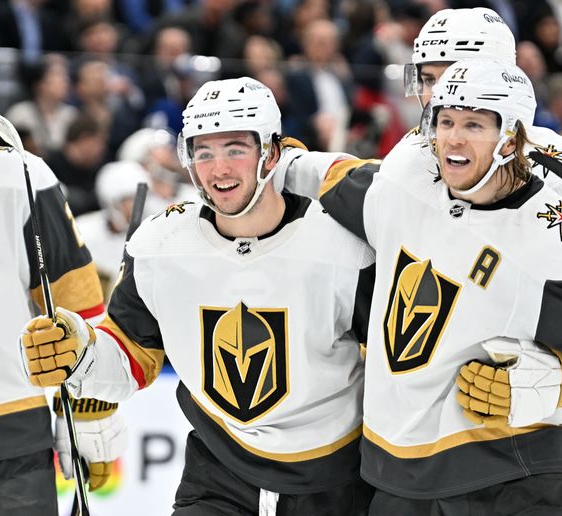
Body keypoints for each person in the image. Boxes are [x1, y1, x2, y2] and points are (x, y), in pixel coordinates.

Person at [315, 57, 562, 514]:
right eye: (445, 120)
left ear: (513, 137)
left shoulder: (553, 230)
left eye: (474, 124)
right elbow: (333, 179)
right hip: (399, 477)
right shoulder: (407, 173)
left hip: (512, 475)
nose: (453, 137)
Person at [19, 77, 374, 515]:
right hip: (218, 478)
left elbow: (389, 357)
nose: (218, 168)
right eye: (203, 152)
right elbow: (130, 353)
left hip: (333, 485)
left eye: (235, 149)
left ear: (273, 154)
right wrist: (79, 350)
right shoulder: (162, 244)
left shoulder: (343, 246)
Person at [0, 145, 123, 513]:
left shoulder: (19, 175)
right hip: (10, 432)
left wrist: (89, 403)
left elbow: (76, 306)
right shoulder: (17, 174)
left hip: (9, 433)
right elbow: (79, 303)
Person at [75, 160, 151, 300]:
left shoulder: (152, 233)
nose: (137, 204)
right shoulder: (85, 231)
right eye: (129, 198)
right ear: (112, 201)